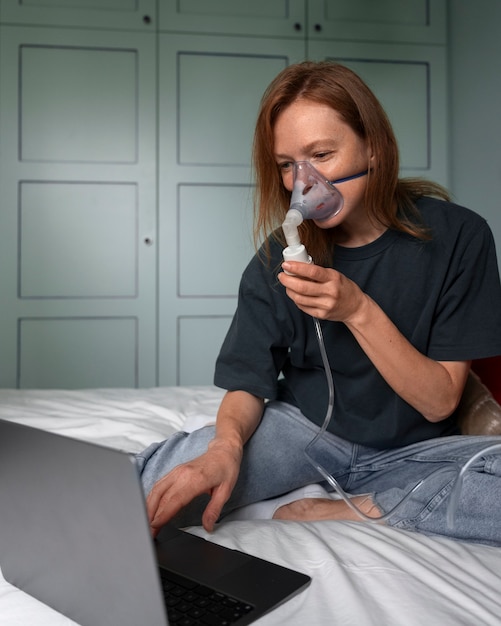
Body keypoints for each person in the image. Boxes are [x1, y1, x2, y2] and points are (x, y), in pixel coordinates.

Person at [137, 61, 501, 546]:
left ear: (373, 145)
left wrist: (356, 309)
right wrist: (225, 447)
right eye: (287, 164)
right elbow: (248, 383)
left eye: (322, 155)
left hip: (416, 451)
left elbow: (439, 402)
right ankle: (408, 502)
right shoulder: (279, 258)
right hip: (306, 433)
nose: (302, 182)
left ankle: (368, 508)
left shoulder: (460, 237)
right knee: (152, 484)